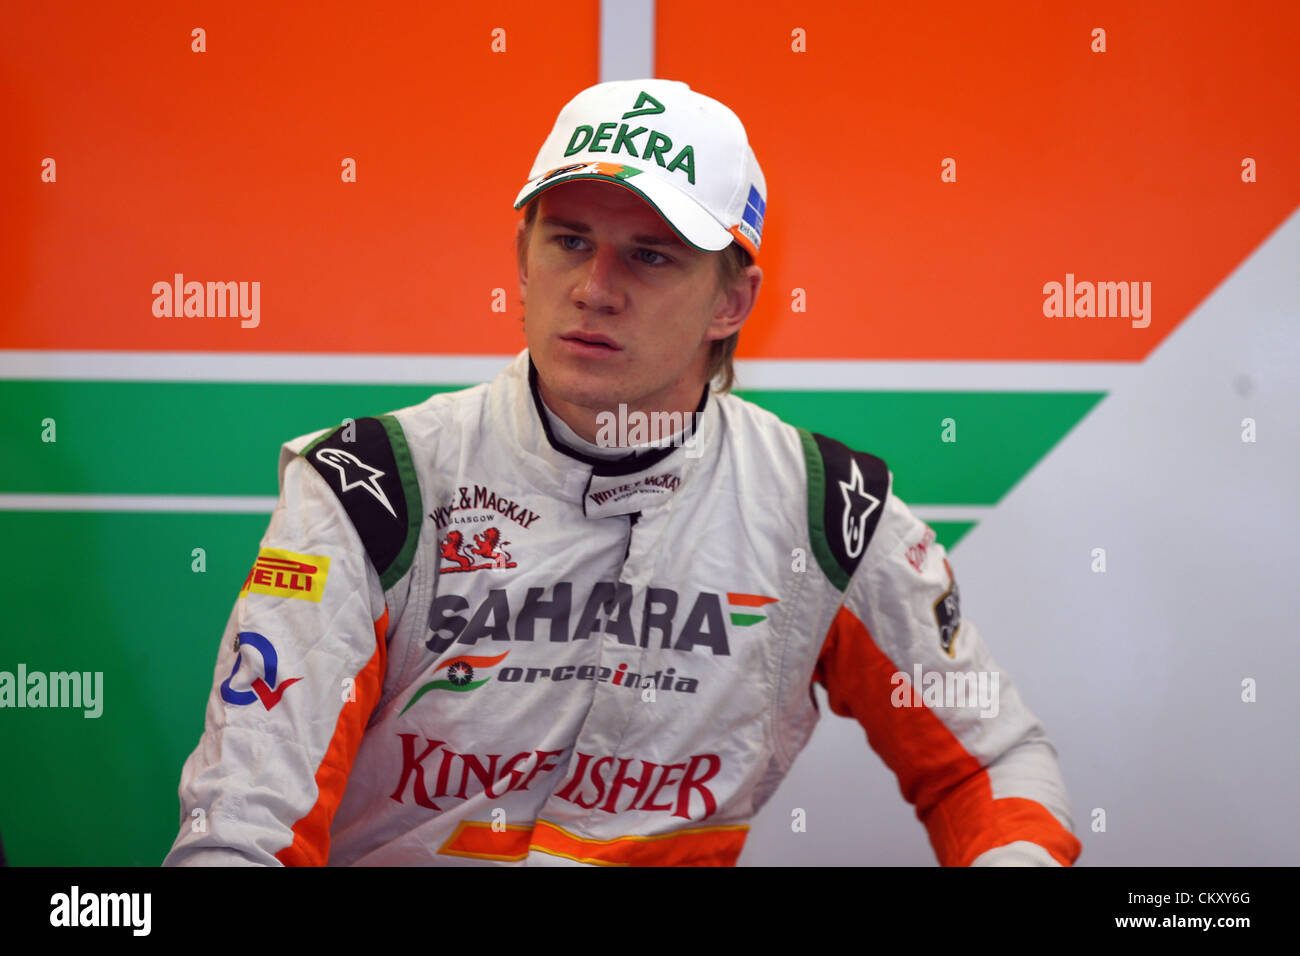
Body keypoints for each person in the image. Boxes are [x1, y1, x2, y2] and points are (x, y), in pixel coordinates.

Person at [163, 78, 1082, 867]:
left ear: (732, 299)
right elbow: (241, 828)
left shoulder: (826, 511)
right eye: (568, 240)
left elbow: (989, 762)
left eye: (650, 255)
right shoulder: (370, 487)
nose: (596, 287)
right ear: (520, 259)